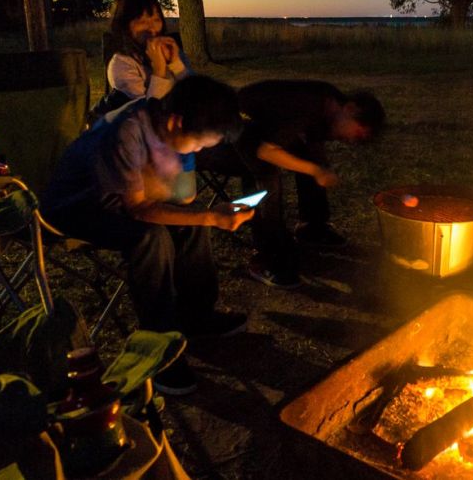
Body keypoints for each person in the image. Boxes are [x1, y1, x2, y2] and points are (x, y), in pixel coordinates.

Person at [42, 76, 253, 396]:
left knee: (191, 222)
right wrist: (210, 215)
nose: (197, 150)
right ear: (176, 122)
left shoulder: (172, 127)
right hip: (76, 208)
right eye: (198, 144)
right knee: (150, 237)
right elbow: (138, 209)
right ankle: (158, 345)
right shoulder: (126, 131)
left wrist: (204, 214)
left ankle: (197, 317)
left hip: (126, 201)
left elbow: (183, 197)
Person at [236, 80, 385, 289]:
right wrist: (315, 171)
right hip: (236, 126)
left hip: (267, 129)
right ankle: (267, 259)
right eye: (358, 132)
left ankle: (313, 227)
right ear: (351, 108)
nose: (353, 140)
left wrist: (316, 167)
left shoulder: (331, 103)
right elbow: (265, 151)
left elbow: (308, 141)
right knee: (268, 179)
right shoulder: (307, 105)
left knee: (315, 157)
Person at [90, 0, 188, 120]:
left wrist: (175, 63)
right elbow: (147, 114)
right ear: (124, 26)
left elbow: (193, 91)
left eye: (156, 19)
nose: (152, 28)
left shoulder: (170, 50)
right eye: (142, 21)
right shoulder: (122, 64)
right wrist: (159, 71)